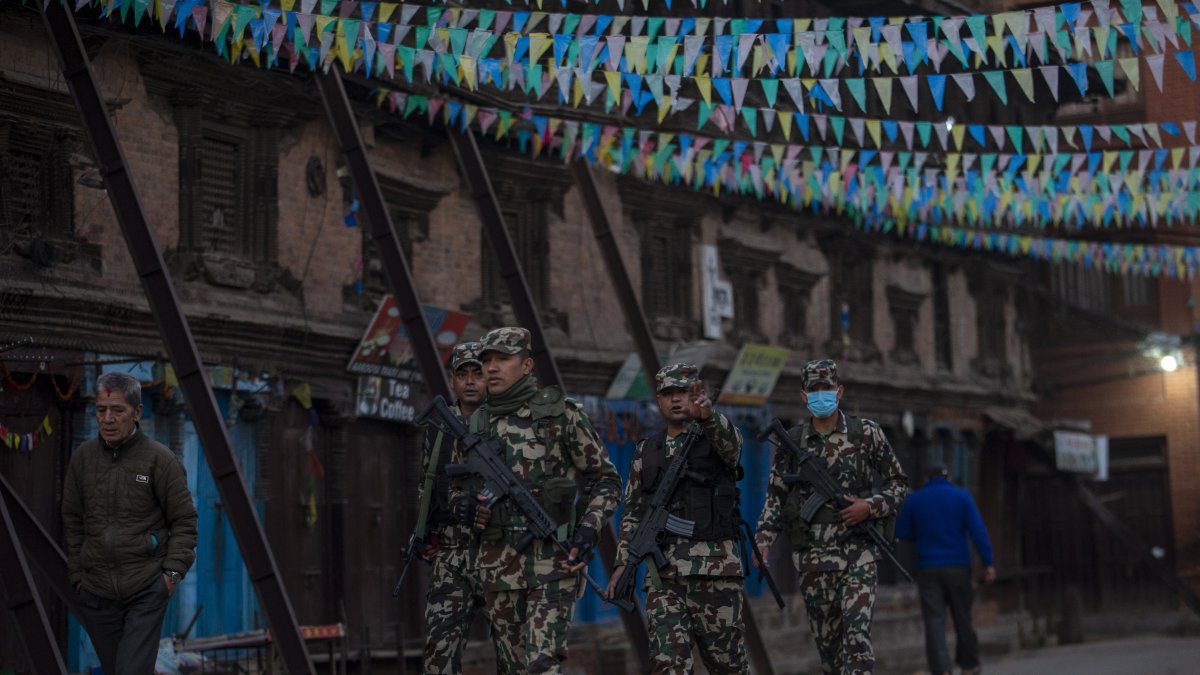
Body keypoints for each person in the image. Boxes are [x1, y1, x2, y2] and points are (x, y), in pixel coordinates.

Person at [449, 327, 621, 673]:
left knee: (541, 667)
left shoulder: (562, 415)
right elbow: (456, 488)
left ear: (526, 365)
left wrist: (588, 530)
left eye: (502, 359)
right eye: (486, 361)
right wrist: (463, 508)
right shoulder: (475, 424)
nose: (492, 368)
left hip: (552, 566)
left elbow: (607, 480)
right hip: (497, 571)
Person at [754, 359, 908, 674]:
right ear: (803, 395)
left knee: (856, 636)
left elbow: (898, 484)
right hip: (813, 560)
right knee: (830, 653)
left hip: (858, 555)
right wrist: (763, 539)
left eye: (827, 388)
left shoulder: (866, 433)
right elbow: (776, 494)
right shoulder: (793, 441)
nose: (821, 395)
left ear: (839, 391)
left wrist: (870, 506)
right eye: (814, 389)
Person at [605, 363, 747, 674]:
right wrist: (622, 564)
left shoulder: (717, 437)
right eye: (668, 393)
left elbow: (733, 447)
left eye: (683, 392)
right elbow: (632, 511)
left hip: (716, 572)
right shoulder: (646, 451)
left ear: (697, 395)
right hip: (664, 578)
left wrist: (708, 416)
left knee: (729, 666)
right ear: (658, 400)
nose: (676, 399)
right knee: (668, 666)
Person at [62, 371, 198, 674]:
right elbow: (72, 518)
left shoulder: (159, 460)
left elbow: (185, 521)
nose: (108, 419)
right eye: (101, 409)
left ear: (136, 413)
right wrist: (78, 575)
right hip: (96, 592)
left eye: (117, 410)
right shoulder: (82, 459)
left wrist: (170, 575)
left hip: (145, 588)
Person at [420, 342, 487, 674]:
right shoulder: (439, 427)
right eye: (464, 374)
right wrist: (425, 535)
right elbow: (427, 485)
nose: (471, 381)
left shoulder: (507, 425)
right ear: (453, 380)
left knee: (516, 654)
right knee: (439, 654)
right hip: (450, 554)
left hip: (499, 554)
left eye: (478, 373)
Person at [896, 464, 995, 675]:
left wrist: (924, 535)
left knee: (934, 621)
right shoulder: (962, 497)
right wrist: (988, 563)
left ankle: (941, 670)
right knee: (963, 617)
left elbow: (902, 531)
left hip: (928, 567)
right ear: (948, 477)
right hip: (958, 566)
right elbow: (978, 532)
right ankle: (968, 666)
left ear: (926, 479)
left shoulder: (915, 500)